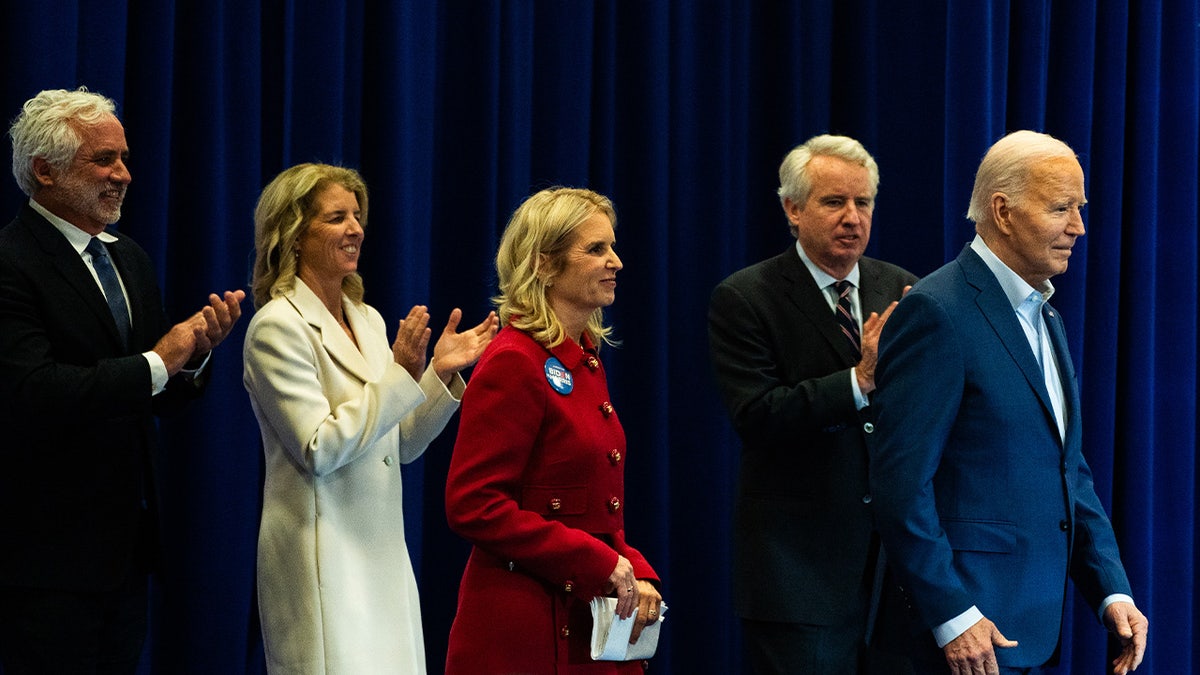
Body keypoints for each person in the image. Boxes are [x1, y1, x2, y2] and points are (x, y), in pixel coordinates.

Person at [868, 130, 1149, 675]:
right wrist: (952, 615)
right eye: (1061, 208)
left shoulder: (1045, 314)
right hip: (956, 641)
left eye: (1080, 208)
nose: (1078, 227)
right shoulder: (936, 311)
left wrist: (1112, 590)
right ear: (1002, 210)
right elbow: (900, 484)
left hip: (1027, 632)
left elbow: (1068, 470)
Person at [0, 87, 245, 673]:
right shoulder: (10, 262)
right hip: (44, 557)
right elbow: (35, 391)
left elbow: (156, 395)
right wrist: (161, 360)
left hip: (126, 549)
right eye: (104, 159)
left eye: (124, 157)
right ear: (45, 171)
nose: (124, 175)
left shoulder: (128, 257)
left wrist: (195, 357)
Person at [242, 163, 497, 674]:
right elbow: (319, 448)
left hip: (383, 553)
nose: (356, 228)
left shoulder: (368, 318)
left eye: (357, 215)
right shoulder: (276, 328)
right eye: (337, 217)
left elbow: (396, 445)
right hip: (323, 559)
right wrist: (400, 374)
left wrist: (438, 376)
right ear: (294, 234)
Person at [707, 134, 916, 674]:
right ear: (793, 210)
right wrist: (859, 379)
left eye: (862, 203)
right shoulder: (746, 297)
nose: (852, 217)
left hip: (895, 579)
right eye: (834, 202)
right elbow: (756, 415)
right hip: (799, 579)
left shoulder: (906, 291)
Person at [444, 187, 663, 674]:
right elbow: (473, 504)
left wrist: (634, 569)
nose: (617, 262)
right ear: (543, 265)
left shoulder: (582, 359)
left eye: (613, 246)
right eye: (596, 249)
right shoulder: (514, 361)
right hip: (525, 631)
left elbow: (592, 507)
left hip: (583, 619)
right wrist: (596, 562)